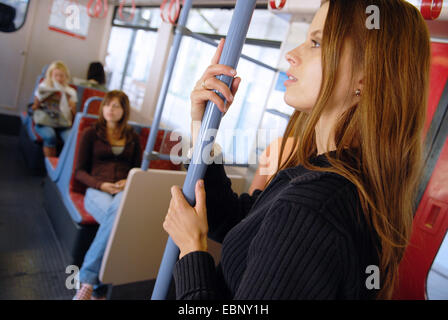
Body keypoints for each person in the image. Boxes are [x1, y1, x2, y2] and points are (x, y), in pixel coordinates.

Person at [163, 0, 430, 299]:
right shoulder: (322, 176)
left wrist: (191, 250)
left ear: (365, 77)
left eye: (316, 43)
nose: (291, 55)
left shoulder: (313, 205)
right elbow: (237, 221)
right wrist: (202, 124)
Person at [72, 90, 142, 300]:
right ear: (102, 108)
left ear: (124, 111)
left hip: (122, 191)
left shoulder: (133, 137)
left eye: (116, 106)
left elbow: (136, 169)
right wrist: (100, 184)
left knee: (117, 217)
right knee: (120, 223)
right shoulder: (90, 133)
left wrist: (128, 180)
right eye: (107, 105)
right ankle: (98, 287)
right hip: (96, 190)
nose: (110, 110)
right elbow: (79, 172)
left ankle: (87, 284)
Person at [31, 61, 77, 157]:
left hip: (63, 123)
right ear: (50, 75)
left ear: (66, 76)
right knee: (50, 136)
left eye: (62, 76)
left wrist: (72, 106)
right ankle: (50, 167)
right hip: (45, 121)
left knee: (70, 140)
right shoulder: (44, 87)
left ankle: (60, 168)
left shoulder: (71, 91)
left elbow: (74, 115)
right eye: (56, 75)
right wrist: (41, 101)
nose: (59, 79)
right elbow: (34, 107)